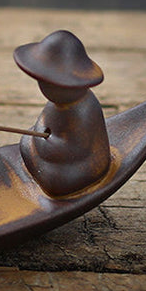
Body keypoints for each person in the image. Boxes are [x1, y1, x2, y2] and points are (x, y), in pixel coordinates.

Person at [14, 30, 111, 196]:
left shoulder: (84, 109)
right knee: (24, 142)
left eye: (50, 84)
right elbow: (43, 122)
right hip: (50, 154)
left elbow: (75, 149)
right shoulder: (57, 103)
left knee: (57, 179)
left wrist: (45, 142)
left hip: (80, 164)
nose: (44, 88)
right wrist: (40, 134)